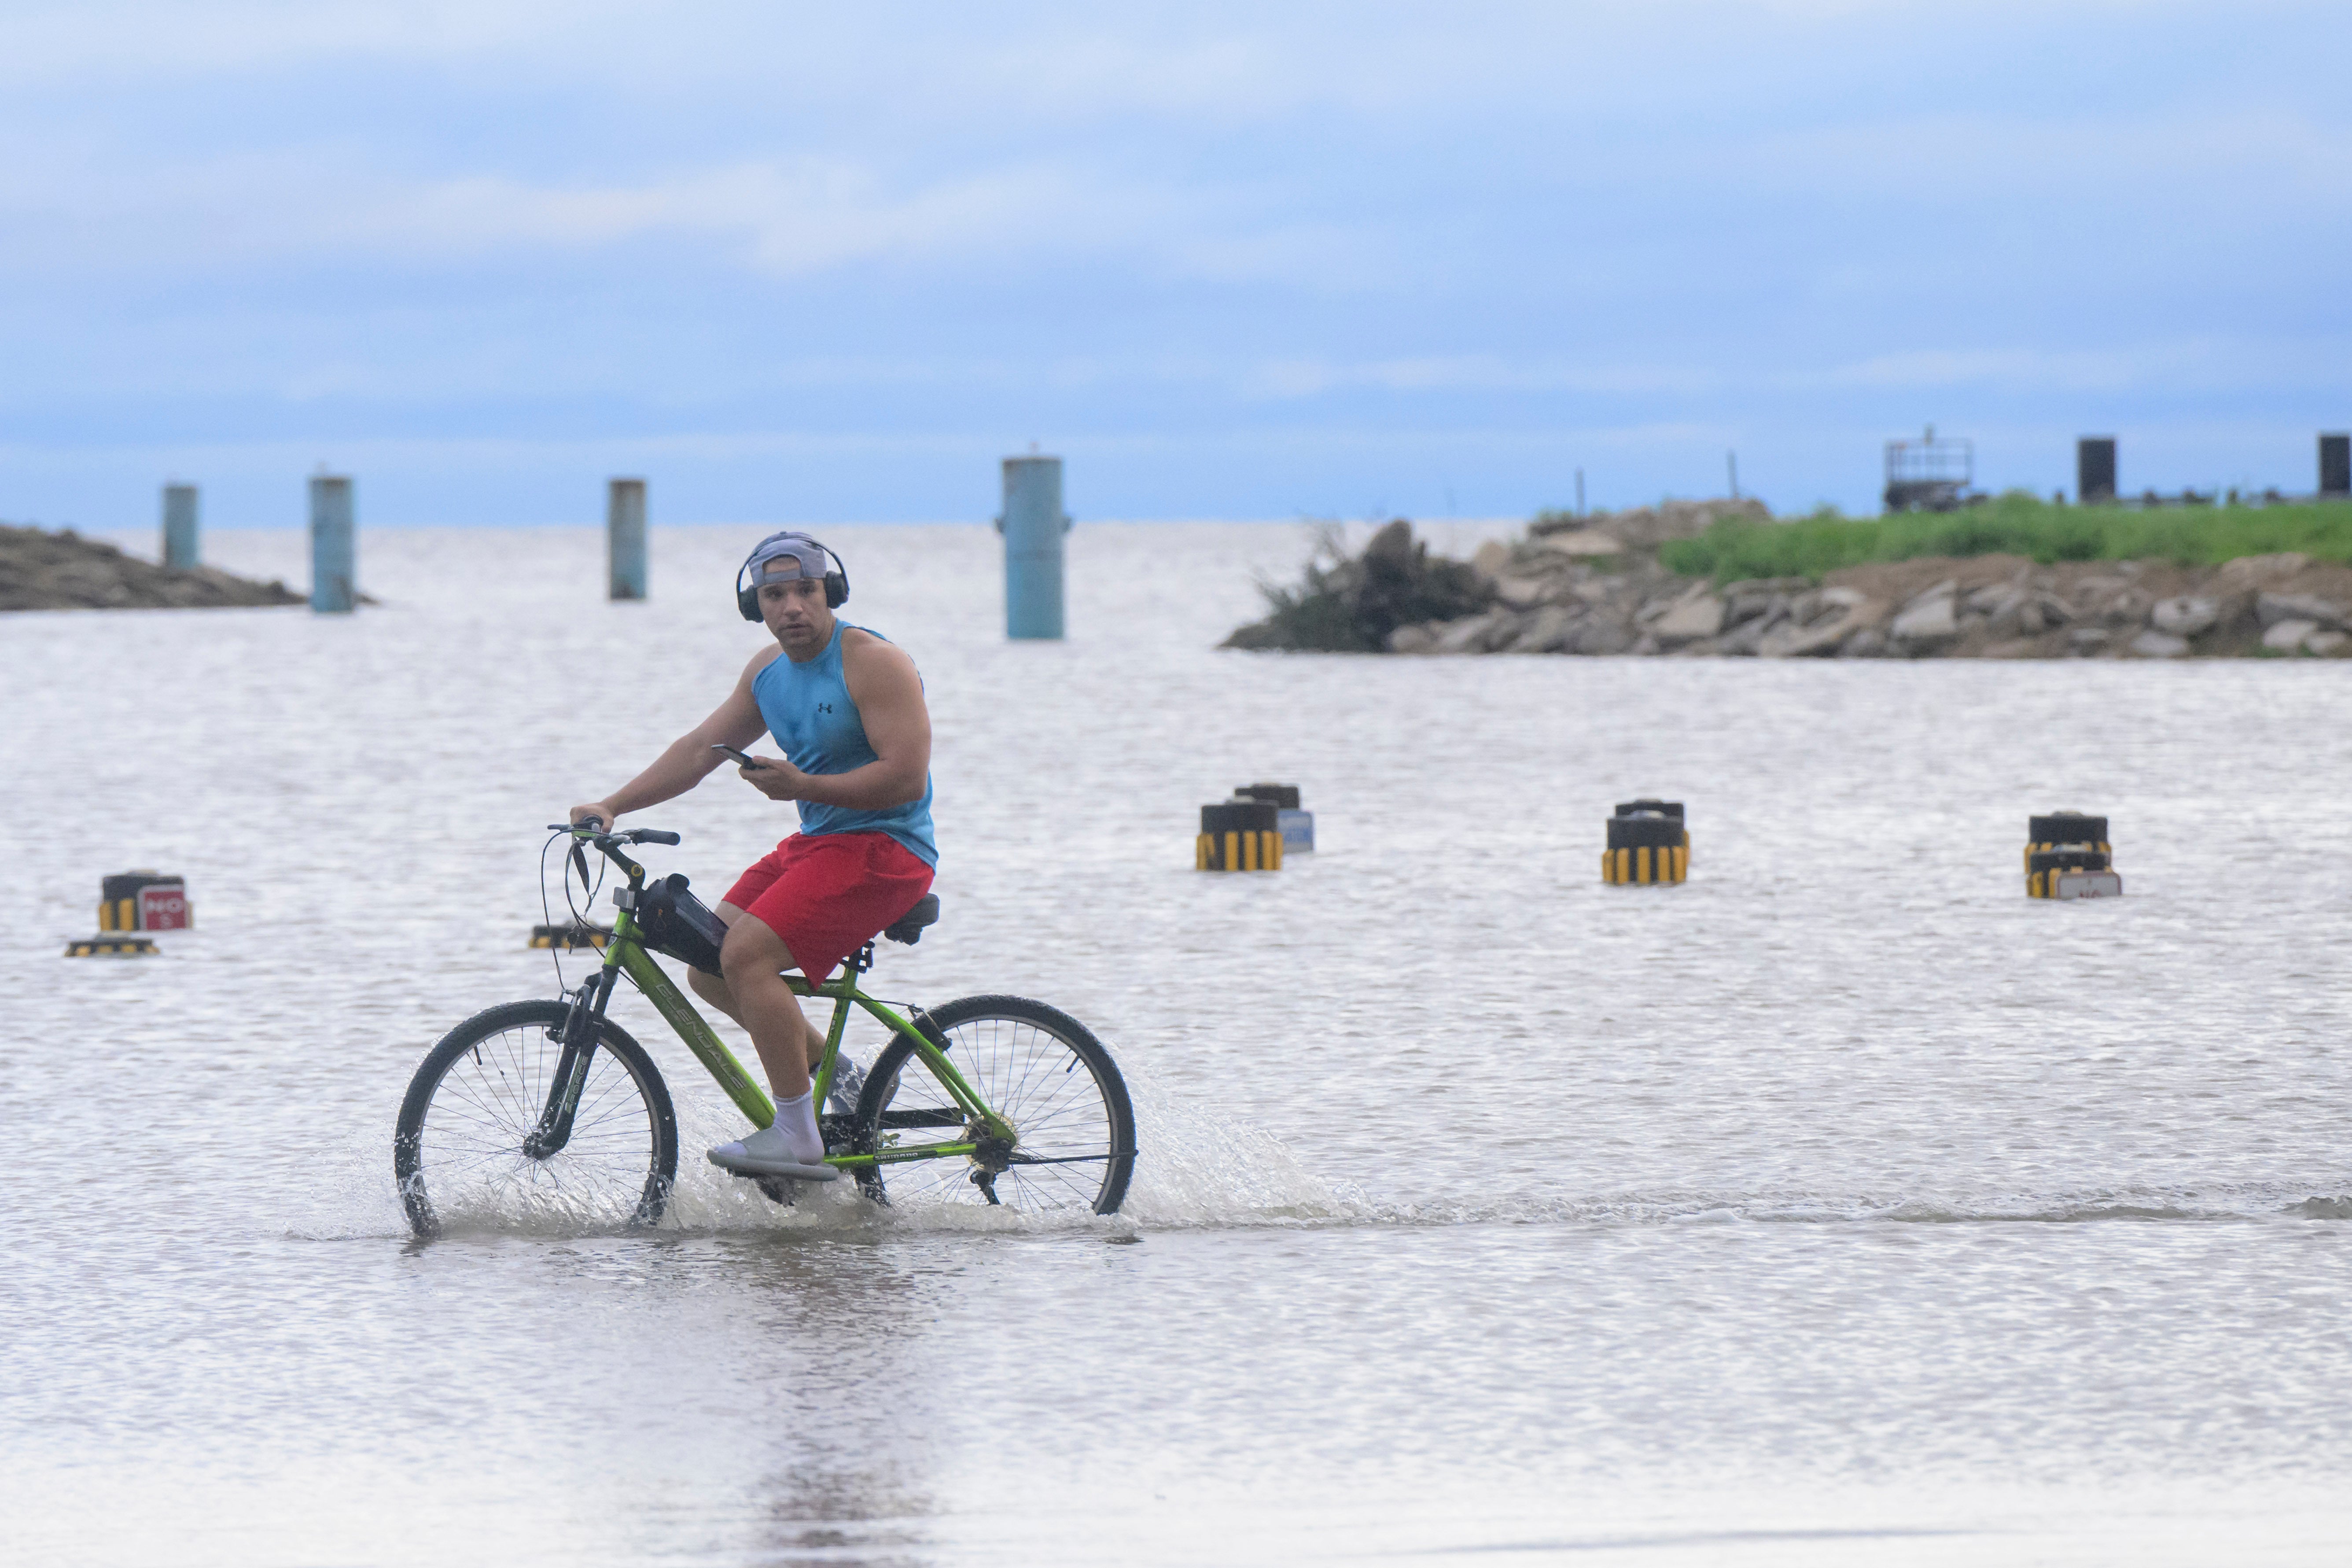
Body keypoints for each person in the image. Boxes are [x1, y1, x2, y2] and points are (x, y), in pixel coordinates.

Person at [569, 530, 936, 1182]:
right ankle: (838, 1073)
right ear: (756, 606)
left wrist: (802, 786)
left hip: (888, 848)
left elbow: (905, 778)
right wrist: (613, 805)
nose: (792, 606)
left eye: (805, 591)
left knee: (748, 955)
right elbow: (698, 750)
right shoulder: (767, 673)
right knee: (709, 960)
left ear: (831, 593)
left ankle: (797, 1136)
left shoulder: (874, 661)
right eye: (775, 595)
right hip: (818, 843)